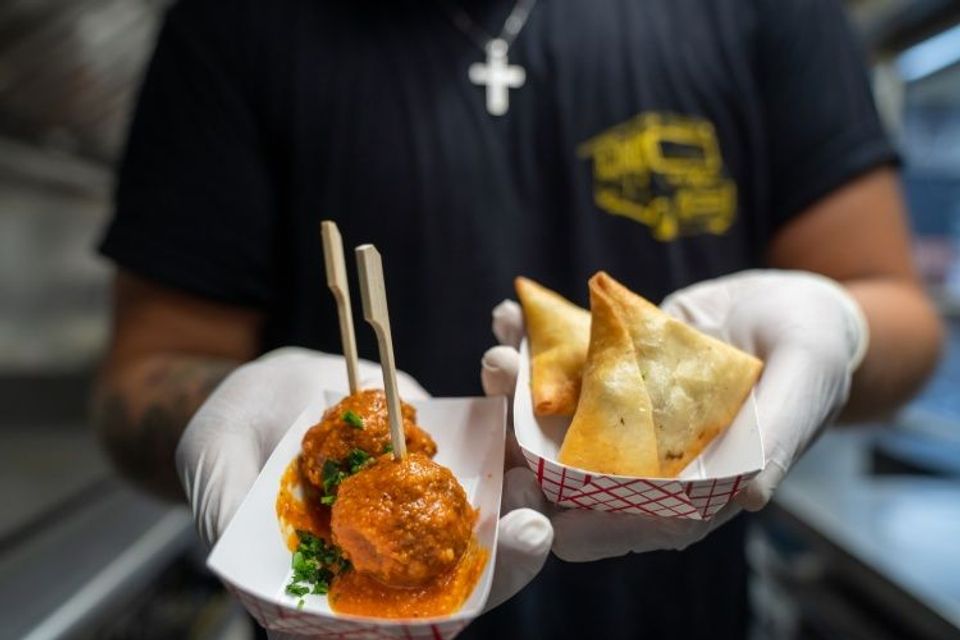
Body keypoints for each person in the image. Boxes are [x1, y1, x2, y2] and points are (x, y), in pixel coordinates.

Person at [93, 0, 944, 637]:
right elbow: (146, 373)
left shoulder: (765, 9)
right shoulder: (232, 22)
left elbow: (902, 317)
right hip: (336, 614)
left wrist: (838, 326)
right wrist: (242, 418)